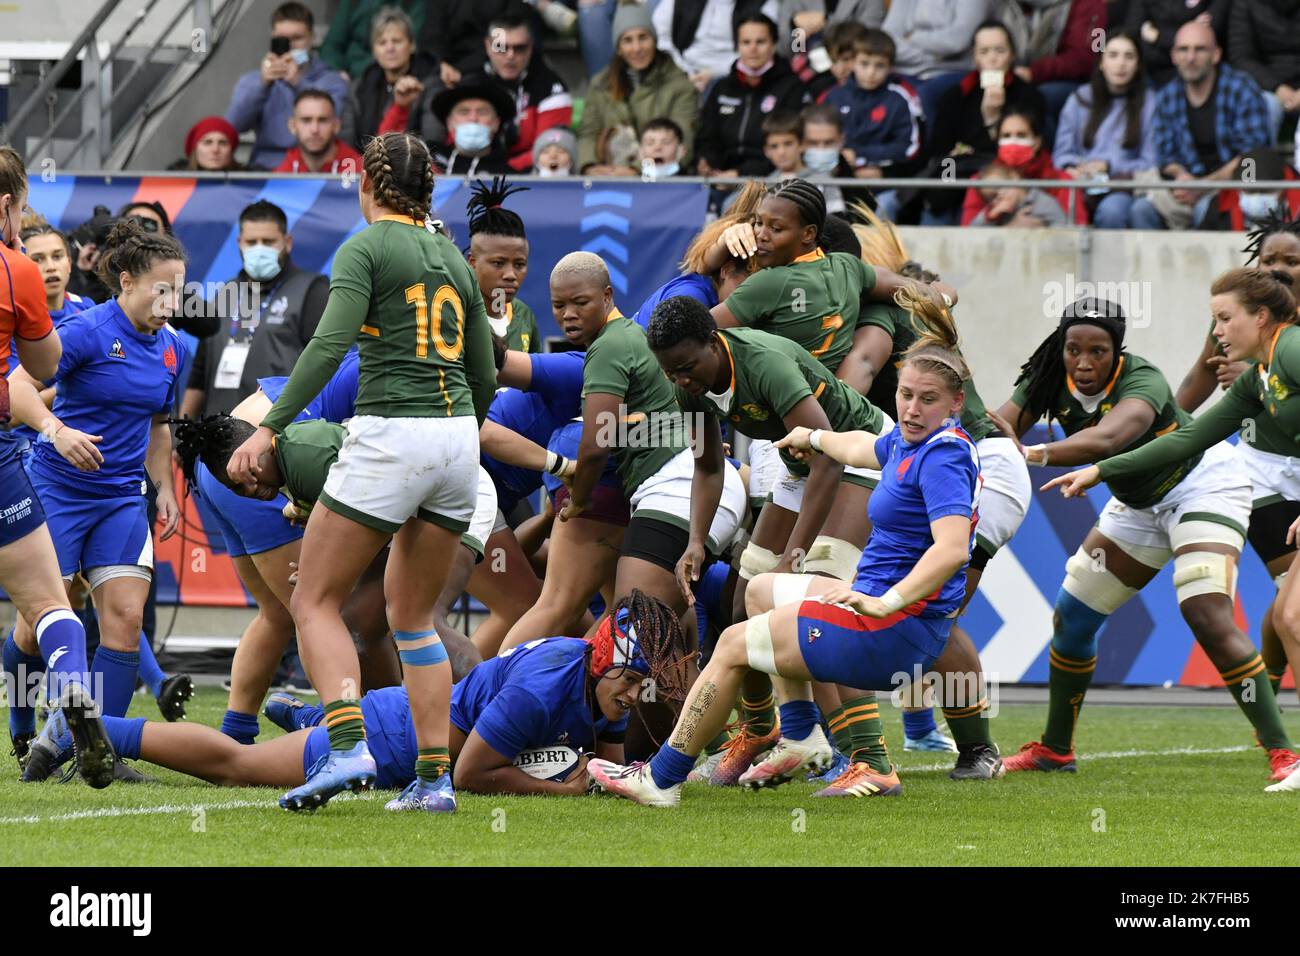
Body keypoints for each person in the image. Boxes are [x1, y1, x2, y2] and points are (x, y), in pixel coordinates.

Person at [587, 314, 983, 805]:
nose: (912, 408)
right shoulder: (909, 443)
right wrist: (813, 438)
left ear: (956, 403)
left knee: (733, 644)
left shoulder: (943, 457)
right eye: (904, 395)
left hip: (891, 627)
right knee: (758, 592)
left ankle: (661, 779)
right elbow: (860, 443)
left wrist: (886, 602)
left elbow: (951, 549)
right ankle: (802, 737)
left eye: (928, 400)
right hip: (888, 614)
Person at [226, 131, 496, 815]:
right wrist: (460, 426)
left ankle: (346, 744)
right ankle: (434, 780)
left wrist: (269, 425)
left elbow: (326, 346)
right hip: (459, 440)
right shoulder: (454, 259)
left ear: (367, 185)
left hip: (392, 433)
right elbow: (484, 373)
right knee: (413, 620)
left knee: (313, 600)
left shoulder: (367, 246)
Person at [990, 297, 1298, 781]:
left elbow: (1110, 438)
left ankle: (1283, 753)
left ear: (1118, 351)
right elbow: (997, 427)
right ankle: (1055, 750)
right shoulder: (1050, 375)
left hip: (1203, 486)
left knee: (1204, 608)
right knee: (1072, 615)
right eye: (1074, 349)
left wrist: (1035, 453)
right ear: (1060, 347)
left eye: (1098, 350)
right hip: (1137, 504)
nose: (1084, 362)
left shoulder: (1143, 379)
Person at [34, 592, 689, 798]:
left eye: (640, 686)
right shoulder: (546, 686)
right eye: (629, 682)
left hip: (415, 724)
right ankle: (95, 732)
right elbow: (469, 773)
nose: (634, 696)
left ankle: (303, 713)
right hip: (395, 737)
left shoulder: (589, 677)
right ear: (603, 664)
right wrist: (560, 789)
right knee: (239, 769)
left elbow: (600, 751)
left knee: (260, 758)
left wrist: (612, 774)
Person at [646, 295, 897, 784]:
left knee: (812, 604)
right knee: (743, 602)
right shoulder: (688, 384)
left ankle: (862, 757)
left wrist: (793, 559)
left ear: (713, 343)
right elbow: (708, 464)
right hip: (801, 466)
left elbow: (828, 457)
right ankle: (779, 735)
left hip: (858, 455)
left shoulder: (764, 365)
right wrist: (697, 540)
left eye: (687, 367)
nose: (682, 380)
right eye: (671, 372)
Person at [7, 220, 186, 785]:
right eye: (160, 290)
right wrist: (57, 431)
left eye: (178, 291)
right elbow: (15, 389)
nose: (169, 302)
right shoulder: (85, 331)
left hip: (120, 499)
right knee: (39, 623)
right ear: (125, 281)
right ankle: (22, 731)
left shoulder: (174, 348)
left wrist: (164, 490)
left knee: (126, 621)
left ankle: (98, 747)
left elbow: (159, 427)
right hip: (57, 489)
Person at [850, 209, 1024, 769]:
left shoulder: (878, 316)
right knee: (917, 606)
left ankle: (971, 746)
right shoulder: (913, 310)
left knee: (933, 613)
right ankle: (926, 728)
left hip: (974, 468)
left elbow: (857, 377)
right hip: (969, 463)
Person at [0, 146, 114, 788]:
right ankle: (71, 686)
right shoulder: (14, 269)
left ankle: (30, 725)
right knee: (48, 603)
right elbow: (41, 369)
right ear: (8, 206)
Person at [1176, 211, 1300, 708]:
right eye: (1268, 258)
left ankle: (1264, 703)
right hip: (1260, 470)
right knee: (1290, 596)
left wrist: (1256, 371)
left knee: (1286, 607)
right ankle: (1268, 716)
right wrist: (1150, 432)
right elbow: (1194, 384)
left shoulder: (1285, 344)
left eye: (1291, 260)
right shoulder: (1238, 319)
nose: (1278, 269)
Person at [1130, 21, 1270, 231]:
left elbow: (1251, 157)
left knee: (1207, 209)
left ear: (1216, 54)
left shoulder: (1241, 88)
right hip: (1185, 188)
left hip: (1232, 188)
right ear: (1173, 56)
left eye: (1200, 49)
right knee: (1140, 210)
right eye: (1183, 50)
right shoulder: (1167, 96)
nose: (1191, 57)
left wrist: (1204, 185)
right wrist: (1181, 177)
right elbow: (1165, 156)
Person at [918, 20, 1046, 225]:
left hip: (1005, 176)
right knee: (939, 194)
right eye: (984, 52)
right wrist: (952, 172)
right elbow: (939, 150)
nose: (992, 59)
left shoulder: (1029, 96)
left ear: (1012, 55)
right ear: (975, 58)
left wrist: (992, 118)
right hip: (957, 172)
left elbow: (1030, 149)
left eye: (999, 50)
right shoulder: (955, 95)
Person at [578, 1, 700, 177]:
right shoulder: (600, 84)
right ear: (618, 48)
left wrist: (636, 169)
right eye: (627, 40)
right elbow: (588, 132)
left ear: (654, 40)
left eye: (643, 37)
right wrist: (589, 166)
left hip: (662, 180)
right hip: (609, 176)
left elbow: (683, 139)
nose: (637, 48)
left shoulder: (680, 85)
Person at [226, 2, 350, 170]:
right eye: (282, 39)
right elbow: (233, 127)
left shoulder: (332, 81)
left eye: (297, 38)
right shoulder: (254, 81)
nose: (290, 46)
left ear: (312, 38)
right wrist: (262, 85)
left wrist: (297, 82)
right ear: (272, 37)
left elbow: (333, 125)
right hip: (265, 169)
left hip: (314, 169)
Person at [1052, 31, 1157, 229]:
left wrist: (1108, 166)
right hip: (1081, 183)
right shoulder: (1079, 98)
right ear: (1101, 62)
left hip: (1123, 187)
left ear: (1138, 64)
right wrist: (1074, 167)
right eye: (1113, 55)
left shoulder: (1150, 102)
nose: (1121, 64)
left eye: (1129, 56)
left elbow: (1151, 162)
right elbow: (1061, 154)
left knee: (1112, 212)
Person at [696, 14, 808, 178]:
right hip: (719, 177)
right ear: (737, 46)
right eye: (746, 42)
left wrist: (740, 174)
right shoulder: (721, 88)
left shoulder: (791, 87)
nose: (753, 48)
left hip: (769, 179)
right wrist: (707, 163)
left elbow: (788, 146)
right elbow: (707, 138)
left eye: (760, 42)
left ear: (773, 45)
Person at [475, 10, 573, 173]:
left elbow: (550, 148)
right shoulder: (471, 83)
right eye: (501, 47)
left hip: (529, 175)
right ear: (488, 46)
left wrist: (501, 172)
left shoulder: (552, 87)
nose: (510, 55)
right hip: (475, 170)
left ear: (530, 47)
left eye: (519, 48)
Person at [991, 0, 1106, 138]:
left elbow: (1087, 59)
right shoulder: (1012, 5)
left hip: (1072, 80)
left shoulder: (1091, 5)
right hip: (1018, 73)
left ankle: (1044, 152)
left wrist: (1034, 72)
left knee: (1043, 96)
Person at [961, 107, 1087, 226]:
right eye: (1006, 136)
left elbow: (1078, 229)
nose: (1013, 141)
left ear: (1037, 142)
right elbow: (967, 236)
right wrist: (1010, 229)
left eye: (1021, 135)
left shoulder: (1063, 181)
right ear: (998, 142)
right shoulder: (981, 182)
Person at [338, 6, 438, 149]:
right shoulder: (360, 87)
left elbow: (433, 140)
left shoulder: (429, 83)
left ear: (411, 45)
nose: (390, 48)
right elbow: (347, 141)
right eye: (382, 43)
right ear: (374, 50)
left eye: (397, 41)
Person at [880, 0, 992, 123]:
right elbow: (886, 41)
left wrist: (913, 37)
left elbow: (956, 42)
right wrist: (935, 56)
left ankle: (923, 142)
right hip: (907, 69)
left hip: (952, 71)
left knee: (924, 95)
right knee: (875, 84)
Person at [825, 28, 914, 178]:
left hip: (885, 180)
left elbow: (909, 147)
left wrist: (860, 154)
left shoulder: (900, 99)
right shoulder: (834, 96)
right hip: (836, 176)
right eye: (864, 64)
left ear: (891, 67)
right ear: (852, 62)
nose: (871, 72)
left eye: (879, 66)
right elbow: (818, 139)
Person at [465, 178, 541, 352]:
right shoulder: (456, 314)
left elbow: (536, 376)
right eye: (498, 263)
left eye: (519, 264)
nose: (511, 275)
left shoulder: (524, 315)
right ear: (472, 263)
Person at [653, 0, 782, 95]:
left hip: (734, 76)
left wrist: (718, 73)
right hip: (682, 71)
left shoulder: (765, 4)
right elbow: (659, 36)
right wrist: (685, 72)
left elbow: (767, 48)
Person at [417, 0, 544, 90]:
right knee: (429, 85)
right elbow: (432, 34)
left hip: (492, 62)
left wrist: (461, 69)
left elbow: (507, 33)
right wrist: (442, 63)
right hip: (446, 66)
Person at [1227, 0, 1300, 140]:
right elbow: (1241, 57)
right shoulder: (1246, 4)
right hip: (1267, 87)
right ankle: (1257, 162)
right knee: (1264, 106)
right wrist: (1278, 88)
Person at [1124, 0, 1229, 88]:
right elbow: (1133, 35)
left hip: (1202, 74)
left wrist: (1157, 36)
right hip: (1154, 73)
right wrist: (1192, 25)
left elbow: (1206, 34)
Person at [320, 0, 429, 80]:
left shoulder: (415, 4)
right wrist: (339, 72)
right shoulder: (353, 3)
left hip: (399, 74)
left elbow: (411, 43)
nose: (390, 47)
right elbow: (331, 46)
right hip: (353, 76)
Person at [428, 81, 516, 176]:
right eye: (464, 112)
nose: (473, 119)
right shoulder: (428, 156)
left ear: (496, 123)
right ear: (450, 123)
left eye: (482, 112)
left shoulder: (509, 173)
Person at [273, 90, 365, 174]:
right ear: (292, 126)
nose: (314, 130)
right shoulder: (283, 171)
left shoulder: (358, 170)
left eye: (322, 120)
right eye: (306, 120)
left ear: (336, 126)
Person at [169, 116, 245, 172]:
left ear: (231, 150)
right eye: (207, 142)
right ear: (195, 149)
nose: (215, 150)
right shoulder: (172, 186)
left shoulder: (250, 186)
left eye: (223, 143)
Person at [761, 111, 804, 179]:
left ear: (801, 145)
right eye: (774, 146)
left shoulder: (821, 183)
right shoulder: (766, 185)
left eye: (788, 144)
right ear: (766, 151)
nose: (781, 152)